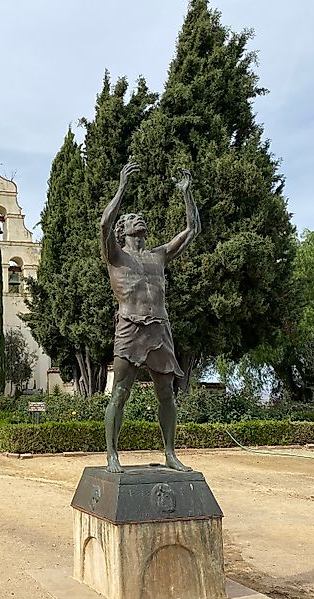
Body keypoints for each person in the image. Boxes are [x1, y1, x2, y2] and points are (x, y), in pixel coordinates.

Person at [100, 162, 200, 473]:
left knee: (166, 394)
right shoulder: (116, 255)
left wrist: (187, 195)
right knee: (120, 393)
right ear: (124, 230)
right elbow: (104, 224)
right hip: (130, 326)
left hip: (160, 328)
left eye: (139, 218)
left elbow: (193, 229)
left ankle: (170, 453)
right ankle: (112, 456)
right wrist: (121, 188)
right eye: (131, 218)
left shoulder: (158, 255)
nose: (138, 219)